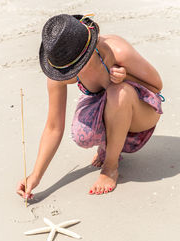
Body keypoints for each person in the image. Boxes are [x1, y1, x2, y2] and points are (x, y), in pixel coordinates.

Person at [16, 13, 164, 199]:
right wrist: (35, 176)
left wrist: (125, 76)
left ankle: (110, 166)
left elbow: (156, 87)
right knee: (81, 135)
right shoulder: (61, 69)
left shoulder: (117, 51)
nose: (70, 73)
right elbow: (53, 127)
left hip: (141, 110)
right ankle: (108, 147)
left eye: (76, 67)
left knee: (118, 92)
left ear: (91, 49)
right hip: (108, 105)